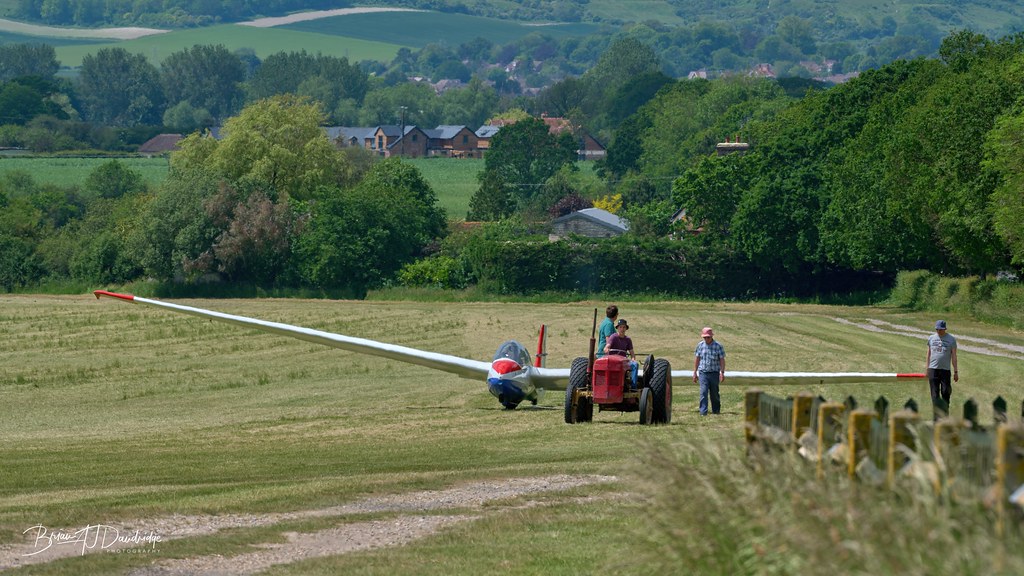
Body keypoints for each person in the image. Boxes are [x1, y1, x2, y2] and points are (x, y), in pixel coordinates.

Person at [926, 319, 958, 419]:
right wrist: (927, 368)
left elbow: (954, 356)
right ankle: (936, 417)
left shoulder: (951, 339)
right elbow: (928, 353)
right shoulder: (931, 338)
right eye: (937, 329)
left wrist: (956, 371)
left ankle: (945, 414)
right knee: (934, 394)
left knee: (945, 392)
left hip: (945, 370)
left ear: (945, 329)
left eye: (941, 329)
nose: (939, 331)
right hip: (933, 369)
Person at [693, 326, 725, 415]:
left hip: (714, 373)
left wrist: (722, 372)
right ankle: (703, 412)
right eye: (705, 337)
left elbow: (722, 360)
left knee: (714, 394)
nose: (706, 339)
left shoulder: (718, 346)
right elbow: (697, 359)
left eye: (708, 337)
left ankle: (716, 411)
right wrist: (695, 372)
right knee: (703, 392)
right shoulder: (700, 346)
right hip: (703, 372)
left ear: (712, 336)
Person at [605, 318, 638, 389]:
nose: (622, 329)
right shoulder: (613, 337)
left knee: (635, 365)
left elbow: (632, 352)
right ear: (617, 328)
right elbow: (607, 346)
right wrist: (607, 349)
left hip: (623, 361)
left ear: (626, 329)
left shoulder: (628, 339)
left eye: (624, 327)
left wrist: (633, 359)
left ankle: (633, 387)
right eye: (620, 327)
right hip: (613, 360)